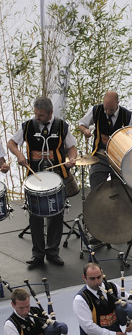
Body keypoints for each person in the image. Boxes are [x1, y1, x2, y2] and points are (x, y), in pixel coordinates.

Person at [2, 96, 78, 269]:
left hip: (56, 175)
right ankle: (37, 254)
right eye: (36, 114)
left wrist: (71, 159)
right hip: (34, 175)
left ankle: (53, 252)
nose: (37, 117)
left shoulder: (62, 126)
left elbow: (72, 147)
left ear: (51, 113)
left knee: (56, 213)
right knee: (35, 215)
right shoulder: (27, 125)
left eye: (41, 115)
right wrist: (20, 155)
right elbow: (11, 143)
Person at [76, 90, 132, 187]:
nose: (108, 112)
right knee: (95, 177)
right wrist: (85, 131)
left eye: (111, 109)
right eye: (106, 108)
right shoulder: (95, 110)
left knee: (122, 186)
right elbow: (81, 124)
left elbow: (131, 138)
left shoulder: (128, 116)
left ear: (117, 103)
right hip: (100, 155)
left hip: (119, 158)